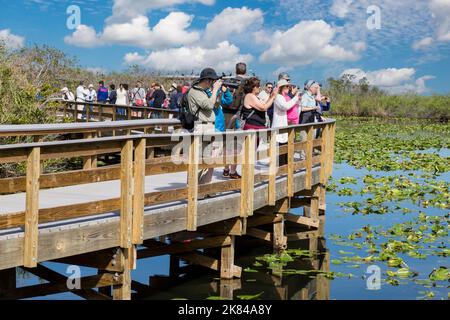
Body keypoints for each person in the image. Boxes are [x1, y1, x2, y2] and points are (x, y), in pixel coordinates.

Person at [188, 67, 223, 185]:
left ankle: (203, 187)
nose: (213, 83)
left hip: (208, 127)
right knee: (198, 160)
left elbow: (216, 105)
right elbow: (208, 105)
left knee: (208, 159)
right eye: (212, 80)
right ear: (207, 80)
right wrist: (214, 90)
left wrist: (219, 92)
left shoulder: (204, 91)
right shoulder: (195, 91)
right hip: (201, 126)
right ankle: (193, 188)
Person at [272, 79, 301, 143]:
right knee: (279, 149)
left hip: (286, 125)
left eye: (289, 86)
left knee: (288, 145)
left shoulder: (284, 97)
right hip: (279, 126)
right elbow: (285, 106)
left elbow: (296, 107)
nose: (289, 88)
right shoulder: (278, 96)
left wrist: (298, 99)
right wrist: (296, 97)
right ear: (281, 87)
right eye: (287, 86)